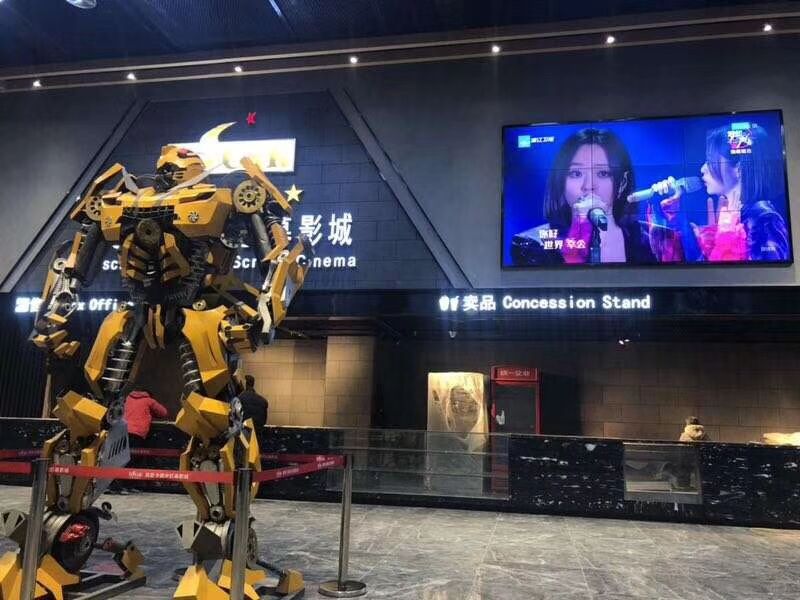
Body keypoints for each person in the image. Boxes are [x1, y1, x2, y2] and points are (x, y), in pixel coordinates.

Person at [511, 128, 656, 265]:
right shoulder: (530, 244)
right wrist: (578, 231)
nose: (588, 185)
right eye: (576, 173)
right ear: (561, 181)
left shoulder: (651, 238)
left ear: (623, 182)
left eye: (603, 173)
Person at [648, 123, 789, 263]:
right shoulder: (727, 218)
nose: (703, 169)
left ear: (738, 169)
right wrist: (674, 218)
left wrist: (726, 242)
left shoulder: (764, 219)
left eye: (710, 161)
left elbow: (767, 276)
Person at [109, 388, 167, 494]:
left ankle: (114, 485)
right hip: (136, 433)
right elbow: (163, 412)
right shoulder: (149, 401)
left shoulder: (128, 399)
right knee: (133, 460)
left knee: (120, 458)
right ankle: (125, 486)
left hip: (122, 431)